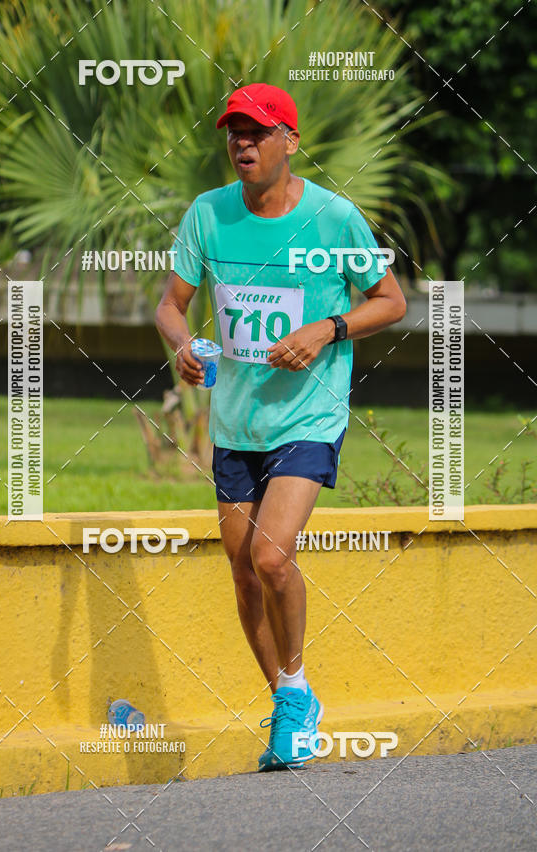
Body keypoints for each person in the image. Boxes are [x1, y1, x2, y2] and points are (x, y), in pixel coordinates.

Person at [155, 83, 406, 771]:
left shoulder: (333, 218)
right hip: (238, 421)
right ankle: (290, 702)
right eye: (234, 132)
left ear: (289, 142)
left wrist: (326, 330)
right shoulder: (207, 216)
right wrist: (180, 342)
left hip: (309, 414)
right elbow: (171, 305)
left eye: (258, 132)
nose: (243, 143)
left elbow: (391, 300)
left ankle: (293, 688)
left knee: (271, 556)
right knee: (242, 573)